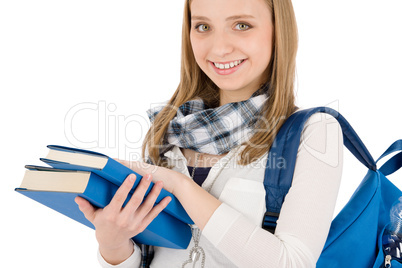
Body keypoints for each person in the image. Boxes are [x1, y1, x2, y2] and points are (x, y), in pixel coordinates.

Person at [75, 0, 343, 267]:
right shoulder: (171, 129)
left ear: (279, 30)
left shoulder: (314, 131)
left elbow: (292, 262)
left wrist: (181, 186)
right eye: (203, 26)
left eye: (241, 25)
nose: (219, 48)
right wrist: (113, 245)